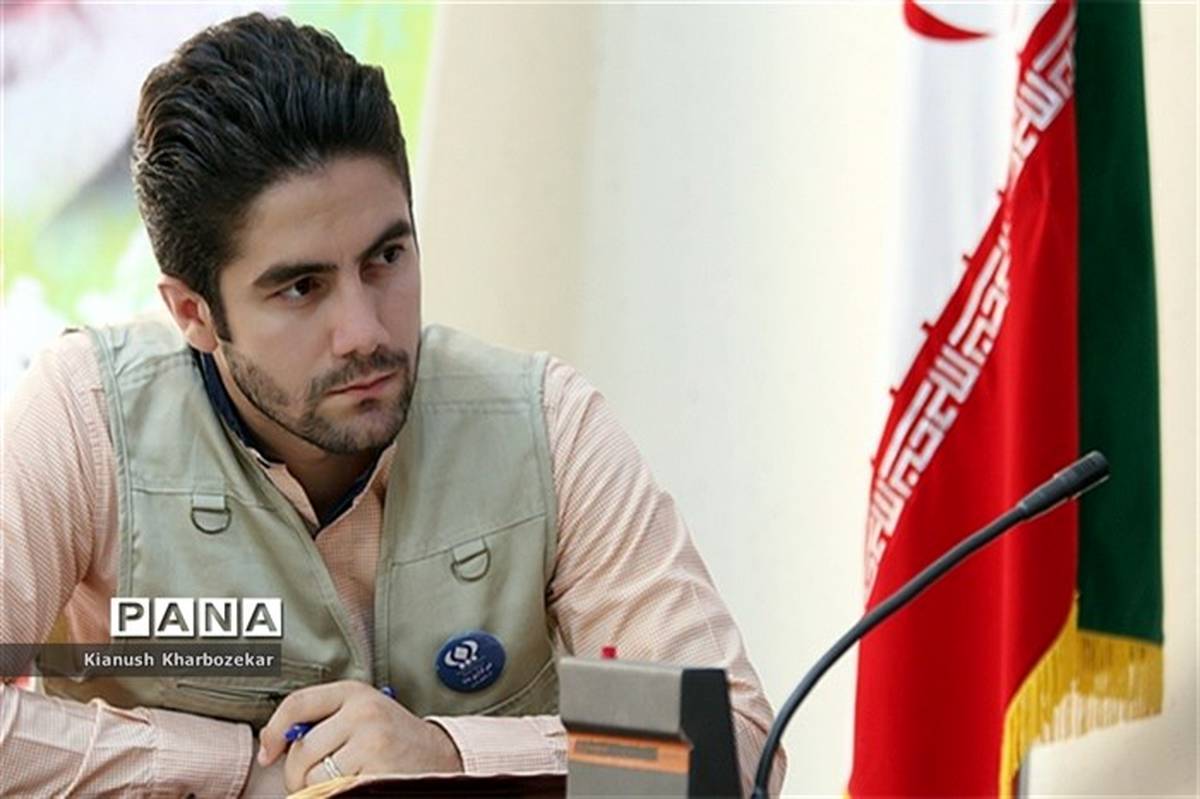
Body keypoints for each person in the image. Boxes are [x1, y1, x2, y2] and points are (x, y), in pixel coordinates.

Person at [0, 13, 783, 797]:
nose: (366, 332)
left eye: (386, 257)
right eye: (301, 288)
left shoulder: (545, 424)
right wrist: (241, 769)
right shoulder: (88, 416)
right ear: (192, 313)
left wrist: (447, 751)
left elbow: (734, 743)